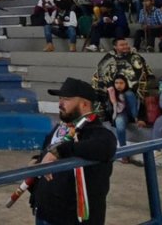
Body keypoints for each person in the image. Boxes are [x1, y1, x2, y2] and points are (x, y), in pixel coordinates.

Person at [31, 77, 116, 225]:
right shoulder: (61, 128)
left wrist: (59, 151)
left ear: (84, 104)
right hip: (44, 213)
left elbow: (106, 145)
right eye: (60, 98)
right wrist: (37, 161)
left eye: (66, 99)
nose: (60, 104)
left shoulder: (97, 133)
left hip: (72, 220)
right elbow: (47, 154)